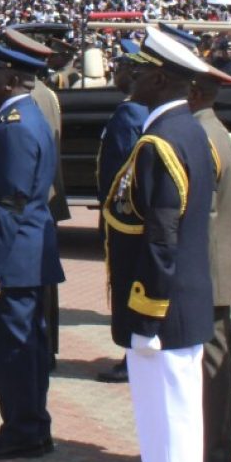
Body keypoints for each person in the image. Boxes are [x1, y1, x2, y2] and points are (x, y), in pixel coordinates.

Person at [103, 26, 216, 462]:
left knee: (166, 425)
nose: (131, 76)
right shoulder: (191, 129)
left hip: (161, 312)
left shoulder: (160, 140)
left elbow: (162, 237)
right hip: (183, 304)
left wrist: (146, 314)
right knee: (179, 421)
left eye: (143, 70)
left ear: (162, 78)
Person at [0, 39, 64, 459]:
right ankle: (32, 425)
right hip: (29, 253)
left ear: (10, 79)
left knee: (12, 350)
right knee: (28, 348)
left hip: (13, 258)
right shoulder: (27, 116)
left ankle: (23, 429)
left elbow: (9, 202)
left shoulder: (15, 126)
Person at [189, 64, 231, 462]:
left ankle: (213, 455)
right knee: (215, 361)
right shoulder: (217, 130)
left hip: (207, 264)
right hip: (216, 261)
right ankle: (215, 450)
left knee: (212, 367)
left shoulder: (203, 136)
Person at [95, 40, 149, 384]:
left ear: (132, 73)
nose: (113, 73)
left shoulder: (130, 114)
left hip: (124, 218)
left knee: (127, 285)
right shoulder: (134, 110)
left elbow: (124, 173)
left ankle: (132, 357)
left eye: (118, 68)